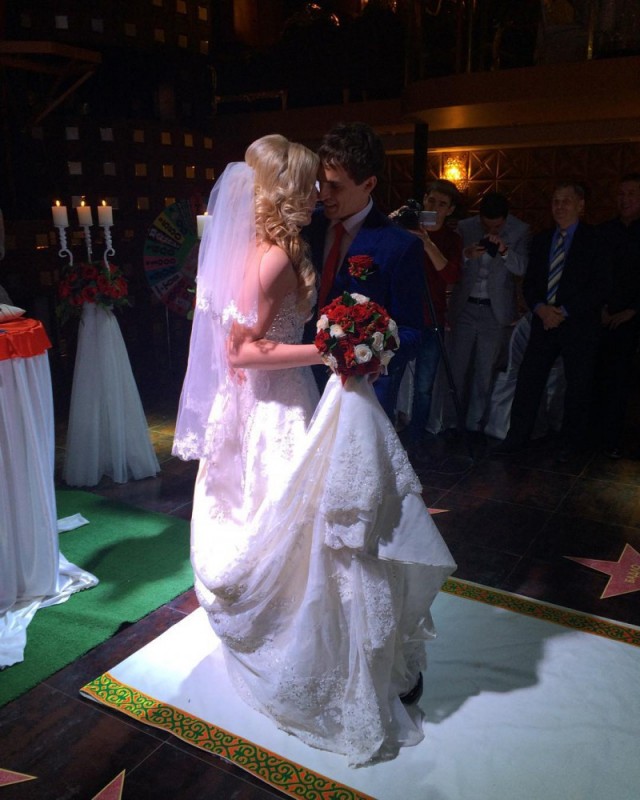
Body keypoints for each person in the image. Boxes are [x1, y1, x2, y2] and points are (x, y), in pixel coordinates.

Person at [173, 134, 456, 767]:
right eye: (310, 184)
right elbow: (242, 349)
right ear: (284, 190)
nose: (319, 194)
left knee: (310, 523)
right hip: (283, 398)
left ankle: (317, 632)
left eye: (328, 185)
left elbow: (410, 322)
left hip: (305, 394)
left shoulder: (356, 242)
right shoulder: (279, 251)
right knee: (296, 524)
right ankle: (298, 635)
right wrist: (330, 350)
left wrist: (366, 349)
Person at [304, 121, 426, 422]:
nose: (322, 194)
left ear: (369, 184)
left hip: (363, 389)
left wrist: (372, 359)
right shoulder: (306, 226)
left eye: (335, 186)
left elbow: (412, 329)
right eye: (320, 183)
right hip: (299, 378)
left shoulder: (399, 245)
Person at [495, 181, 610, 460]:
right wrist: (541, 309)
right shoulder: (542, 239)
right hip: (543, 320)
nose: (559, 207)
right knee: (529, 379)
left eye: (566, 201)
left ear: (581, 206)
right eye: (556, 201)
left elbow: (600, 286)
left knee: (578, 385)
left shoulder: (595, 239)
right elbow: (530, 282)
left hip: (578, 325)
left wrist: (563, 311)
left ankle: (571, 443)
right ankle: (517, 436)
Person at [447, 191, 530, 434]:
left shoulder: (520, 230)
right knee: (457, 370)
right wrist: (466, 255)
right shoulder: (465, 227)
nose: (491, 230)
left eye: (497, 226)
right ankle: (452, 422)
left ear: (505, 219)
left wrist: (504, 251)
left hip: (495, 310)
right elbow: (450, 265)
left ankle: (475, 425)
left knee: (485, 371)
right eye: (486, 225)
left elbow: (522, 268)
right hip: (465, 306)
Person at [399, 180, 463, 454]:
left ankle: (416, 439)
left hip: (432, 317)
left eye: (442, 204)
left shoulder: (451, 239)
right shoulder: (405, 230)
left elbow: (450, 274)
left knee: (424, 385)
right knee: (392, 375)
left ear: (450, 210)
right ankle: (389, 434)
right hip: (402, 316)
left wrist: (427, 243)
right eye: (431, 201)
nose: (434, 208)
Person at [592, 173, 640, 458]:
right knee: (596, 376)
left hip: (633, 317)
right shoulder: (603, 232)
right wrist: (601, 307)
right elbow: (594, 274)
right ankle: (594, 436)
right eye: (621, 194)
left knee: (622, 379)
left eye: (631, 194)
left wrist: (632, 310)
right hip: (602, 314)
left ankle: (615, 439)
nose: (625, 199)